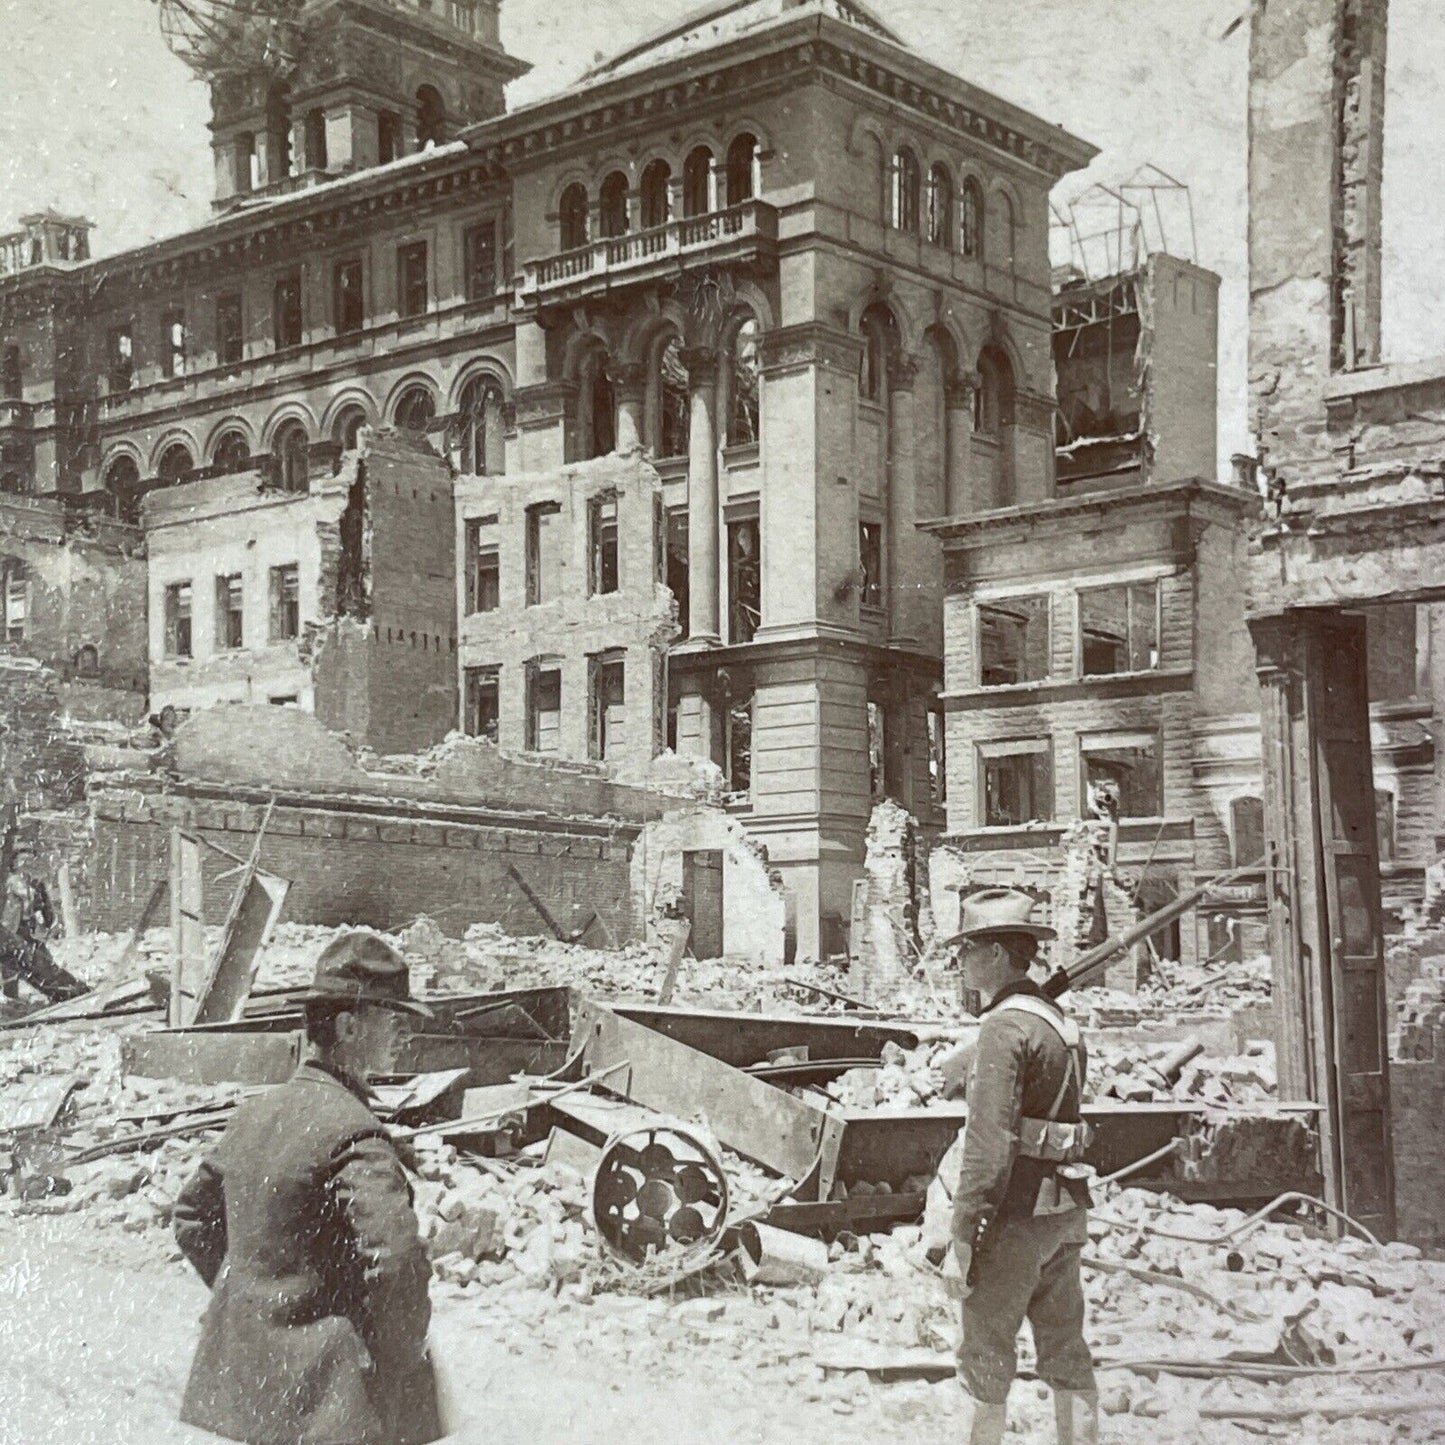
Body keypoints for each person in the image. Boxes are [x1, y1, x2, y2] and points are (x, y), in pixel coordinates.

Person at [173, 931, 446, 1445]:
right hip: (333, 1408)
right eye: (391, 1020)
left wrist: (256, 1304)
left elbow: (190, 1217)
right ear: (348, 1027)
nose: (400, 1037)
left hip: (249, 1396)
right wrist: (400, 1355)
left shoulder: (255, 1114)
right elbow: (396, 1259)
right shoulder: (354, 1129)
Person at [947, 888, 1098, 1445]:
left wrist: (963, 1235)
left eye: (966, 950)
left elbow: (989, 1146)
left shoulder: (1003, 1027)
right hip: (1063, 1214)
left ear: (994, 954)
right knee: (1066, 1353)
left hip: (1013, 1219)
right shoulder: (1057, 1021)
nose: (959, 962)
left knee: (984, 1356)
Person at [0, 846, 88, 1005]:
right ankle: (11, 999)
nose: (26, 864)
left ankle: (65, 991)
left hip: (29, 928)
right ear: (14, 863)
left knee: (41, 961)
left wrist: (49, 922)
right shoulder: (8, 883)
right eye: (22, 860)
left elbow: (46, 906)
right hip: (11, 928)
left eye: (30, 860)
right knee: (14, 963)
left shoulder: (36, 884)